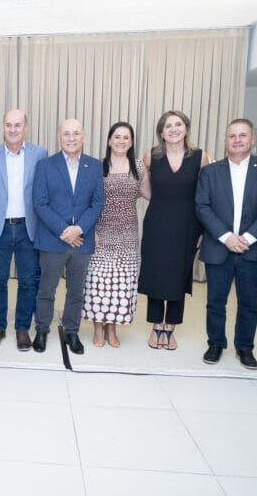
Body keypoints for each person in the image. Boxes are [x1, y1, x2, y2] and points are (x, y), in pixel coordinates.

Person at [196, 119, 257, 369]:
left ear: (252, 139)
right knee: (215, 301)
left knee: (249, 303)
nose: (237, 140)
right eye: (232, 136)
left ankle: (245, 347)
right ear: (225, 141)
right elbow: (202, 206)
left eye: (243, 135)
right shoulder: (210, 171)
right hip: (219, 247)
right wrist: (226, 237)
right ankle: (215, 343)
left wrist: (248, 237)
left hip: (252, 249)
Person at [138, 110, 209, 350]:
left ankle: (171, 327)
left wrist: (204, 230)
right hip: (157, 224)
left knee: (180, 275)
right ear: (161, 132)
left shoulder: (200, 157)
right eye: (168, 126)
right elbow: (145, 189)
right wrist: (161, 200)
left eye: (178, 124)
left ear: (186, 128)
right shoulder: (151, 156)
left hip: (188, 225)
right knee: (156, 273)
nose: (174, 129)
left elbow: (205, 196)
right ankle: (156, 324)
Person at [32, 118, 104, 354]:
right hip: (52, 239)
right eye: (66, 134)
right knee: (46, 289)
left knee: (76, 291)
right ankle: (42, 329)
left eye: (75, 133)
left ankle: (72, 331)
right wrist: (64, 231)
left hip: (82, 240)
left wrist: (78, 229)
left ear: (83, 137)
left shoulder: (95, 166)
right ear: (58, 137)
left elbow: (97, 203)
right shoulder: (45, 165)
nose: (71, 138)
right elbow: (39, 203)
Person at [0, 109, 47, 351]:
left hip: (29, 229)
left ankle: (22, 328)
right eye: (8, 125)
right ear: (3, 127)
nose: (12, 129)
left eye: (17, 125)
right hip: (1, 229)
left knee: (28, 282)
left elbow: (43, 193)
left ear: (25, 127)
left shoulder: (40, 154)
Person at [82, 122, 148, 347]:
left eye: (126, 137)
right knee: (97, 283)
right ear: (110, 140)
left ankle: (112, 328)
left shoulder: (138, 166)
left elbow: (150, 193)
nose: (121, 141)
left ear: (131, 142)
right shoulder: (97, 166)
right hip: (100, 233)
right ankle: (98, 328)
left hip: (128, 236)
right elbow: (87, 201)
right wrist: (90, 230)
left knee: (122, 284)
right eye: (117, 136)